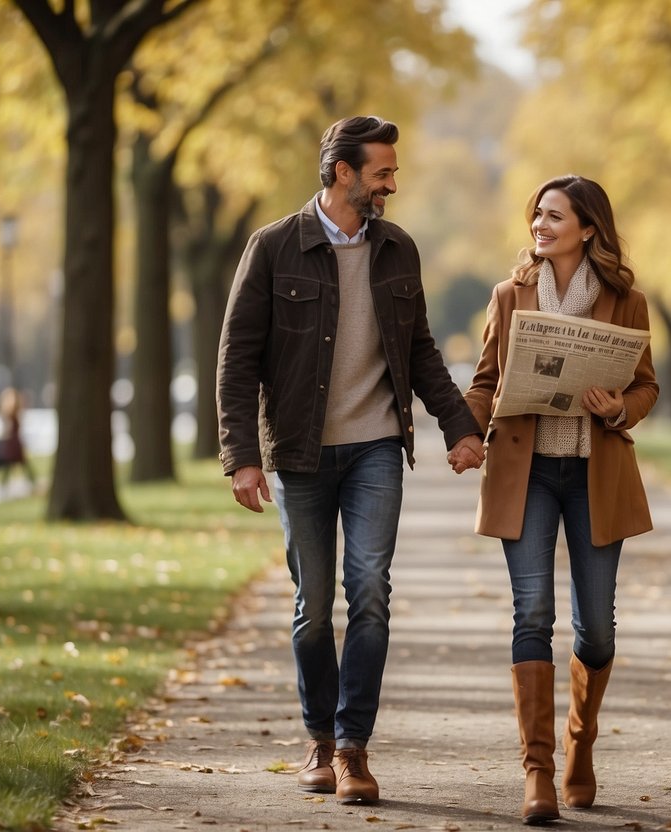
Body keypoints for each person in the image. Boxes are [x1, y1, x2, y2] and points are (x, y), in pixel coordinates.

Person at [216, 115, 484, 806]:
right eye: (382, 173)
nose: (392, 183)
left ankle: (354, 748)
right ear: (342, 173)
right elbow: (236, 359)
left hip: (373, 447)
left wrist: (459, 426)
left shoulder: (398, 249)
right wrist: (242, 457)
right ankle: (319, 740)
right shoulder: (273, 246)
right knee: (312, 608)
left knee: (368, 593)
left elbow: (419, 348)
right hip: (299, 451)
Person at [462, 175, 659, 824]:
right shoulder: (508, 294)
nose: (539, 225)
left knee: (595, 628)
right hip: (528, 474)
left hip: (593, 474)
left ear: (587, 228)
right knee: (532, 613)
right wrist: (464, 432)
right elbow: (485, 381)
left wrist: (617, 409)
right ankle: (537, 772)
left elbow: (646, 388)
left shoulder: (626, 299)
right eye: (536, 215)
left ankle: (581, 739)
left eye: (553, 216)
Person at [0, 387, 36, 489]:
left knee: (22, 465)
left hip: (15, 443)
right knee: (11, 466)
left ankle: (32, 481)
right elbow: (8, 428)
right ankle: (3, 485)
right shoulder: (10, 414)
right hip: (13, 444)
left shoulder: (15, 414)